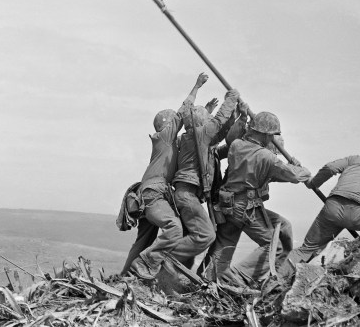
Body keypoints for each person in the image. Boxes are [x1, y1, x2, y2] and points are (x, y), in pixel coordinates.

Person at [204, 111, 312, 286]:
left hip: (227, 204)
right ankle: (238, 277)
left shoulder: (237, 146)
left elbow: (266, 172)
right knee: (274, 245)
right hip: (246, 208)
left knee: (281, 227)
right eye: (271, 136)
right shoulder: (266, 157)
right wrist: (301, 168)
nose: (272, 140)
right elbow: (293, 176)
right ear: (265, 134)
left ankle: (209, 278)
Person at [124, 73, 210, 279]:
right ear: (167, 124)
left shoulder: (168, 144)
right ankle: (147, 264)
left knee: (144, 240)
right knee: (174, 227)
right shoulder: (164, 137)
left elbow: (193, 132)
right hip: (154, 193)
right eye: (173, 122)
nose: (177, 124)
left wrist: (206, 113)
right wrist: (196, 87)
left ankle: (125, 277)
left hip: (150, 194)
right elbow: (183, 112)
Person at [284, 151, 360, 273]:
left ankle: (275, 277)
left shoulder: (356, 160)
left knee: (305, 250)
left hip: (331, 209)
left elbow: (330, 167)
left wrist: (313, 183)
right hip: (358, 216)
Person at [170, 87, 240, 268]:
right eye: (207, 120)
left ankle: (173, 274)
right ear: (202, 123)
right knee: (206, 235)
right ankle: (162, 257)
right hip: (187, 194)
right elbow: (219, 121)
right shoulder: (199, 134)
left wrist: (235, 116)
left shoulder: (193, 138)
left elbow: (221, 133)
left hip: (187, 194)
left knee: (190, 239)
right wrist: (231, 98)